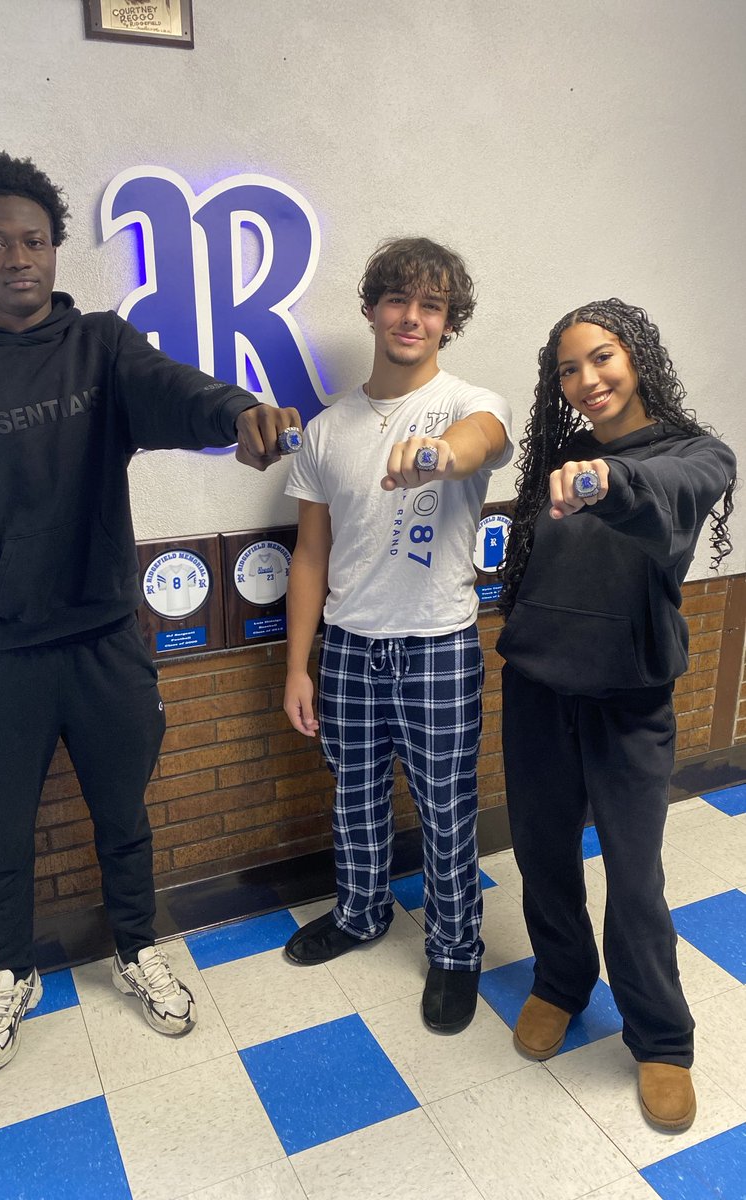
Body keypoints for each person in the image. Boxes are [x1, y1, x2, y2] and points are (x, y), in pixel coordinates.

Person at [0, 148, 301, 1072]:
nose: (18, 256)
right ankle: (9, 971)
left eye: (34, 239)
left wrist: (238, 411)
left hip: (106, 637)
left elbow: (179, 391)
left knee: (124, 811)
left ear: (56, 249)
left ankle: (137, 947)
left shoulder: (102, 348)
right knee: (2, 826)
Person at [497, 298, 736, 1130]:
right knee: (542, 850)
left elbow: (680, 488)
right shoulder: (558, 451)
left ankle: (662, 1037)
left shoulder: (692, 453)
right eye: (568, 368)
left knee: (635, 875)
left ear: (637, 358)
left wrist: (614, 478)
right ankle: (562, 980)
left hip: (630, 695)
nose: (586, 380)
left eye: (601, 358)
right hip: (536, 685)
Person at [282, 237, 512, 1033]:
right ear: (374, 307)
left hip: (438, 643)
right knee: (355, 796)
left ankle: (455, 949)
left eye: (432, 305)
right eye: (398, 300)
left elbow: (487, 440)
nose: (412, 317)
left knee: (447, 808)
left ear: (449, 321)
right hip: (346, 644)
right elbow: (310, 554)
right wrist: (297, 667)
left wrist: (444, 455)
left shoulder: (468, 403)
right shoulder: (326, 429)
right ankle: (361, 911)